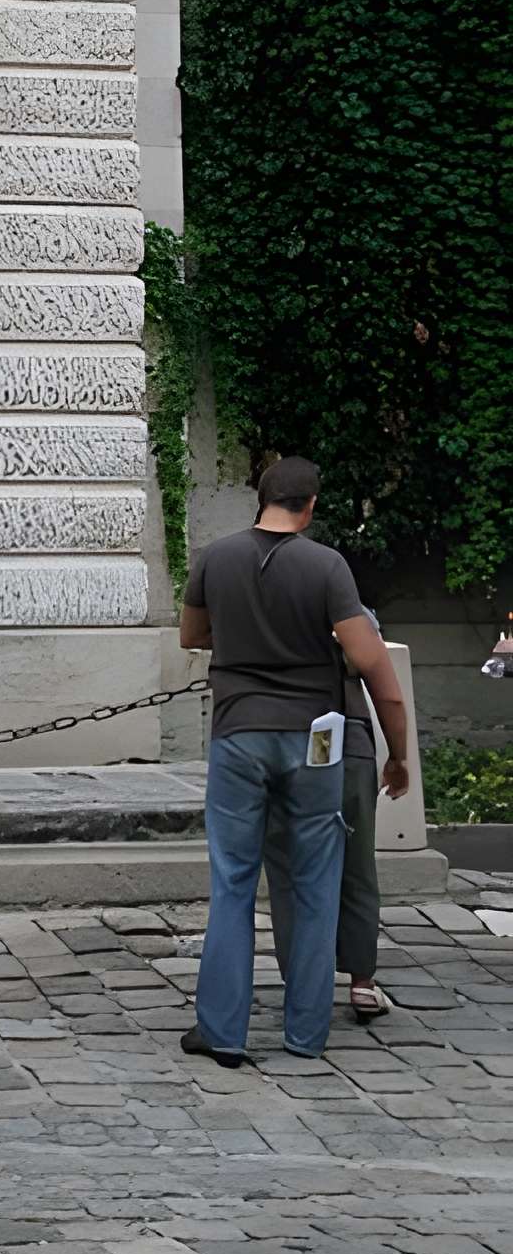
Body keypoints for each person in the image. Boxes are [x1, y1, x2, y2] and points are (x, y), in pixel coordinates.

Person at [178, 456, 411, 1065]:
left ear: (261, 498)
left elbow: (192, 635)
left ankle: (222, 1031)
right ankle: (306, 1035)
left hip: (239, 731)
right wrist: (399, 754)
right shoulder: (326, 565)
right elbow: (370, 664)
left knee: (231, 882)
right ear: (309, 506)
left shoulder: (215, 557)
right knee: (315, 881)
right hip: (316, 738)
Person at [263, 606, 391, 1019]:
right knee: (355, 863)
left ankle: (301, 979)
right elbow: (379, 678)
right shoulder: (346, 607)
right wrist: (401, 755)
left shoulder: (260, 613)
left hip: (281, 741)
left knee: (288, 867)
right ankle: (362, 983)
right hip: (342, 738)